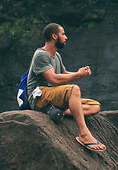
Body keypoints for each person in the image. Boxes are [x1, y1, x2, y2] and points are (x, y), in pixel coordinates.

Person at [26, 23, 106, 151]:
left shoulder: (56, 55)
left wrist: (80, 73)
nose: (66, 37)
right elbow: (54, 79)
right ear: (54, 36)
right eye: (63, 34)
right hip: (39, 96)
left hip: (52, 96)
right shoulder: (41, 55)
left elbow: (64, 74)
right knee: (74, 89)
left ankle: (58, 111)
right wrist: (77, 76)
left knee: (95, 106)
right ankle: (84, 135)